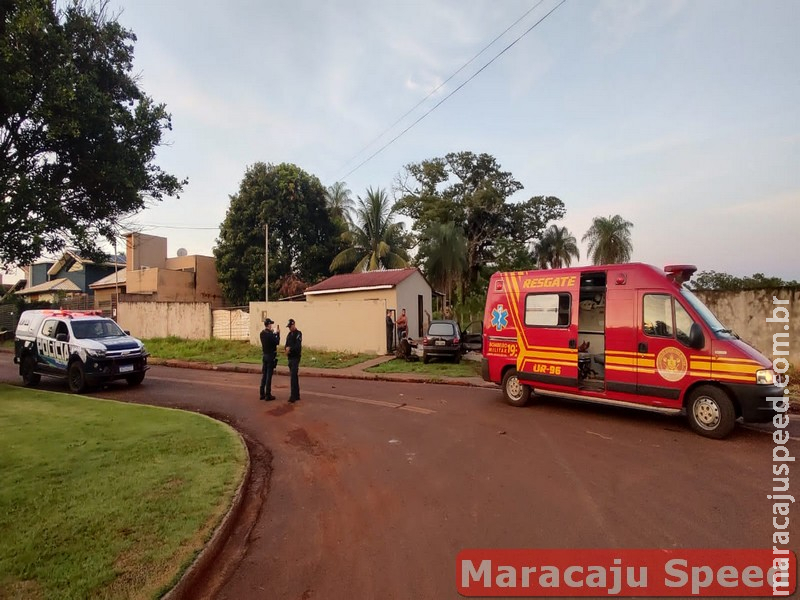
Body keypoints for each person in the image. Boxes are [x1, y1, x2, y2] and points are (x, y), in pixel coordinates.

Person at [259, 318, 280, 400]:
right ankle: (268, 394)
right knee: (269, 376)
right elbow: (277, 342)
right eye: (270, 324)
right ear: (268, 325)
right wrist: (277, 334)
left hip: (265, 355)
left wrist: (273, 333)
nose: (271, 325)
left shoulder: (262, 333)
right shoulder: (270, 334)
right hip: (271, 356)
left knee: (264, 375)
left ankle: (262, 393)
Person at [284, 318, 302, 403]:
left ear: (294, 325)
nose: (289, 328)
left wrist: (290, 349)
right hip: (290, 357)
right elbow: (286, 344)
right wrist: (286, 349)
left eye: (290, 326)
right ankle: (297, 394)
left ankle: (293, 396)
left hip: (295, 357)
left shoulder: (298, 333)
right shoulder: (289, 334)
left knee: (293, 376)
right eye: (289, 327)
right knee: (294, 376)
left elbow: (298, 346)